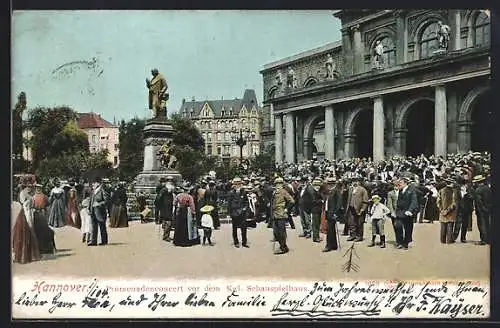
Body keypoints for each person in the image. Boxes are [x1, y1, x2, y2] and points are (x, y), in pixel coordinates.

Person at [12, 181, 41, 264]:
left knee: (32, 231)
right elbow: (23, 203)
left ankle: (30, 252)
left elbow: (33, 204)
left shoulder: (30, 194)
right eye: (28, 186)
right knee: (25, 232)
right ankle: (21, 253)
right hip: (25, 213)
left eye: (31, 186)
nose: (30, 188)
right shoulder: (23, 193)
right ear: (26, 186)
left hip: (30, 212)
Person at [271, 177, 295, 255]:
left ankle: (283, 247)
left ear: (282, 184)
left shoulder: (284, 192)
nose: (278, 185)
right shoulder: (275, 192)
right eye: (277, 184)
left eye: (279, 183)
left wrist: (287, 209)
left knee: (282, 232)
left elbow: (291, 201)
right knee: (276, 231)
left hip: (281, 213)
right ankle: (283, 246)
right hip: (275, 213)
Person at [394, 177, 419, 250]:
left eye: (401, 183)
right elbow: (398, 201)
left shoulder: (411, 191)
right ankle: (400, 242)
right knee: (398, 226)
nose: (399, 184)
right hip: (400, 212)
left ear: (405, 183)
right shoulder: (400, 190)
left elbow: (414, 202)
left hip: (408, 213)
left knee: (408, 228)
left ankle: (406, 243)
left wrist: (410, 210)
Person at [32, 183, 56, 256]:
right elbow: (48, 204)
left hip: (38, 213)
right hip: (41, 213)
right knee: (43, 229)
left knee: (39, 230)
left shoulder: (34, 197)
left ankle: (41, 248)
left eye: (38, 189)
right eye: (37, 188)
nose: (38, 190)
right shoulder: (43, 196)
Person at [226, 177, 250, 248]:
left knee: (244, 228)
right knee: (234, 228)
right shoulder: (231, 193)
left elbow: (246, 202)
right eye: (236, 183)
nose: (237, 185)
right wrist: (229, 213)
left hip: (242, 212)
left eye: (239, 183)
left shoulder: (244, 192)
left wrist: (245, 208)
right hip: (234, 212)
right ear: (234, 184)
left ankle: (244, 242)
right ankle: (236, 242)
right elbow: (229, 204)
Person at [345, 177, 369, 242]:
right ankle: (352, 235)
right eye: (353, 181)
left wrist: (363, 209)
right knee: (351, 222)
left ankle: (359, 236)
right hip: (351, 208)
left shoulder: (362, 190)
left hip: (359, 209)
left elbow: (365, 201)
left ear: (359, 182)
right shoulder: (350, 189)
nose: (354, 183)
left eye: (356, 181)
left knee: (359, 223)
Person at [88, 177, 110, 246]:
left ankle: (104, 241)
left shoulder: (102, 190)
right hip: (93, 210)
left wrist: (99, 204)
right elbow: (91, 201)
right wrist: (89, 208)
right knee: (93, 226)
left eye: (94, 183)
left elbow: (107, 200)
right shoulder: (93, 191)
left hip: (100, 211)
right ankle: (93, 241)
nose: (93, 185)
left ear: (98, 183)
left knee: (102, 226)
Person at [437, 177, 458, 244]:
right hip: (451, 212)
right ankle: (449, 240)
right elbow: (454, 203)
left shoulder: (441, 190)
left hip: (442, 211)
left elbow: (438, 202)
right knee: (450, 226)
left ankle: (442, 240)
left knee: (443, 226)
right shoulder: (454, 191)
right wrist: (448, 210)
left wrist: (441, 210)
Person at [472, 175, 491, 245]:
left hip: (481, 210)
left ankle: (483, 239)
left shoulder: (478, 190)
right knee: (487, 224)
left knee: (481, 225)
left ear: (478, 182)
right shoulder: (487, 188)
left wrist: (481, 209)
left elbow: (479, 202)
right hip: (488, 208)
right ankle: (488, 239)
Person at [323, 177, 341, 252]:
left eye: (329, 184)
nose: (328, 185)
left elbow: (339, 203)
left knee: (329, 229)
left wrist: (336, 213)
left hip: (332, 213)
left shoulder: (336, 191)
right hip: (328, 212)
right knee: (331, 229)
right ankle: (334, 245)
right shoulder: (329, 191)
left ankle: (328, 245)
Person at [453, 177, 474, 242]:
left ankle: (463, 238)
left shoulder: (469, 190)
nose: (463, 186)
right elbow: (456, 199)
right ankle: (454, 237)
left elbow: (472, 197)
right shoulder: (456, 190)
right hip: (459, 209)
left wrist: (467, 195)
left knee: (464, 224)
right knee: (457, 224)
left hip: (466, 209)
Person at [156, 176, 176, 242]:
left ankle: (166, 235)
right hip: (166, 207)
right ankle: (166, 236)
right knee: (168, 221)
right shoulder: (165, 189)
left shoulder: (167, 189)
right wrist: (159, 205)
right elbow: (159, 198)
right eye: (170, 181)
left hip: (167, 207)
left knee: (165, 221)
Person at [310, 178, 325, 243]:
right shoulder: (313, 192)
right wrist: (321, 201)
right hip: (315, 210)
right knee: (315, 224)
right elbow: (313, 201)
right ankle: (315, 237)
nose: (318, 186)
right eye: (317, 185)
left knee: (318, 223)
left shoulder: (317, 191)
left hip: (318, 210)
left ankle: (317, 236)